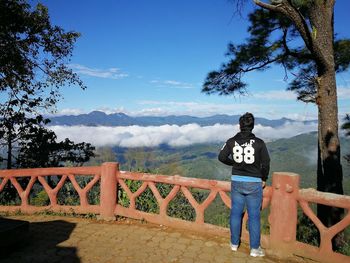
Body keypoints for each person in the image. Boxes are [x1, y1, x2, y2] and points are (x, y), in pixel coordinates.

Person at [218, 112, 270, 257]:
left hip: (236, 181)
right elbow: (266, 163)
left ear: (240, 126)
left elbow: (221, 157)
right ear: (252, 126)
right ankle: (254, 249)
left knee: (235, 212)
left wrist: (233, 162)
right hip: (254, 183)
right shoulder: (259, 143)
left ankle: (234, 244)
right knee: (254, 216)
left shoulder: (231, 141)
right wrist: (264, 178)